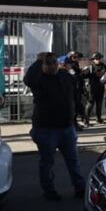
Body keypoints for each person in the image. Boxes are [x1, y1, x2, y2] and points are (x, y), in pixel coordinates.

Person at [23, 52, 86, 201]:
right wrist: (38, 61)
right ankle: (49, 191)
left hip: (66, 128)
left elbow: (74, 96)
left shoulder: (65, 77)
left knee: (73, 160)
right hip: (46, 129)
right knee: (47, 162)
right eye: (47, 64)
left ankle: (80, 188)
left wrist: (80, 111)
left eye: (54, 63)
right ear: (42, 66)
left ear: (58, 64)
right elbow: (28, 79)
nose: (51, 66)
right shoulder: (39, 80)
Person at [82, 52, 106, 125]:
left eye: (98, 58)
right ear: (93, 60)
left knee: (99, 104)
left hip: (100, 87)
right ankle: (86, 120)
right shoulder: (90, 67)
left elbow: (105, 74)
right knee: (90, 104)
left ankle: (98, 119)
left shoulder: (104, 66)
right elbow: (83, 75)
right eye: (96, 59)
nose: (97, 60)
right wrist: (86, 71)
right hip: (92, 88)